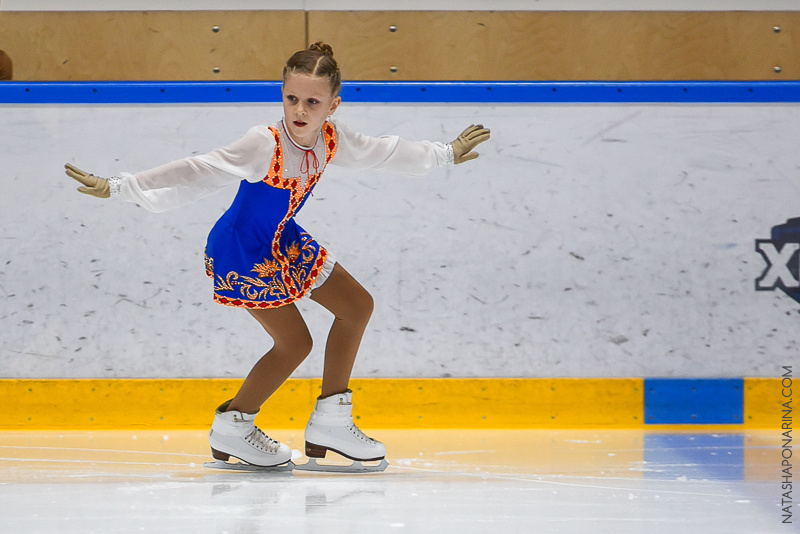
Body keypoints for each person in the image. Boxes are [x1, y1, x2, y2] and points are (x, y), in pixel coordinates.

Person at [65, 42, 490, 469]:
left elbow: (383, 151)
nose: (300, 110)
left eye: (313, 102)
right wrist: (122, 186)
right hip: (242, 249)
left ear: (333, 105)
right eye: (291, 98)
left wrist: (443, 153)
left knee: (357, 306)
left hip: (281, 239)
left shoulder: (331, 137)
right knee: (295, 344)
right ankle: (233, 426)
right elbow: (198, 168)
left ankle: (332, 421)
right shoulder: (264, 143)